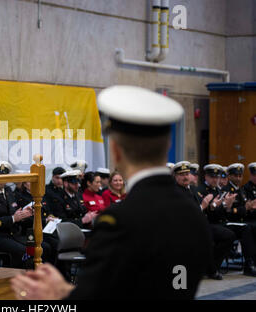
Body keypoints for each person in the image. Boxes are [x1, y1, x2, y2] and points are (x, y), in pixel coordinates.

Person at [11, 85, 212, 299]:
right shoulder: (193, 215)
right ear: (167, 144)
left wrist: (58, 295)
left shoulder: (120, 221)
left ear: (115, 150)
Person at [0, 161, 54, 268]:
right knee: (24, 251)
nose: (2, 179)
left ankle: (37, 277)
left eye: (5, 176)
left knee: (43, 247)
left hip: (13, 234)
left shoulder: (8, 191)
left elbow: (14, 213)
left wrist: (22, 214)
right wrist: (13, 218)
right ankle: (16, 280)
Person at [173, 161, 233, 280]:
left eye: (187, 173)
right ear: (175, 177)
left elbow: (207, 211)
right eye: (181, 174)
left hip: (202, 225)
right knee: (206, 238)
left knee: (229, 235)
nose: (185, 177)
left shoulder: (193, 189)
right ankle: (211, 270)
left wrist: (214, 206)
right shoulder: (175, 192)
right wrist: (203, 206)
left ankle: (211, 266)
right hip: (186, 228)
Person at [197, 163, 256, 277]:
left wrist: (226, 207)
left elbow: (223, 213)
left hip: (222, 222)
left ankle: (248, 264)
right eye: (212, 177)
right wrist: (221, 206)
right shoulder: (201, 190)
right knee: (241, 230)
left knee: (244, 229)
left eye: (217, 177)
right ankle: (213, 266)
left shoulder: (218, 191)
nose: (215, 179)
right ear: (206, 177)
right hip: (210, 224)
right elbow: (208, 213)